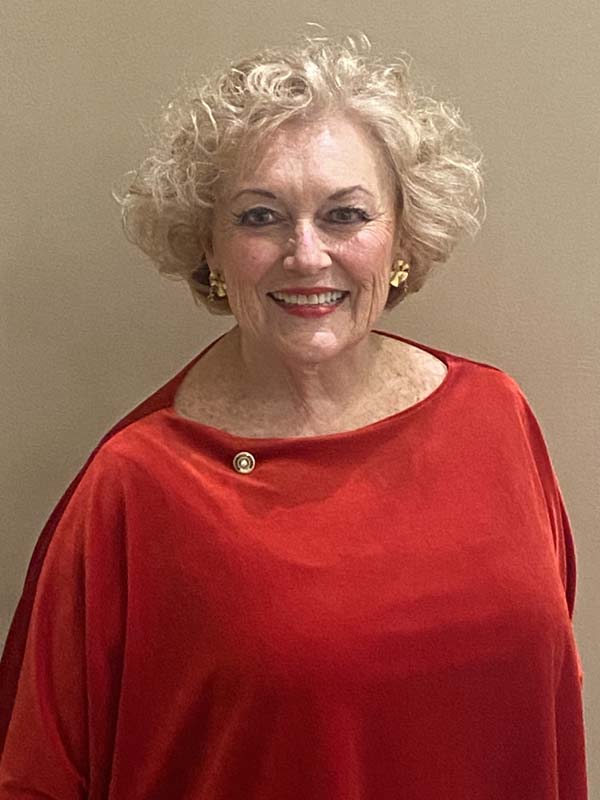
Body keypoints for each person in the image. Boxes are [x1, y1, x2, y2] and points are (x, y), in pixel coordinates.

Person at [0, 31, 587, 799]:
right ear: (209, 249)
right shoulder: (138, 484)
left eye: (345, 215)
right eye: (260, 217)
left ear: (401, 237)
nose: (307, 255)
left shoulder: (496, 416)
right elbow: (35, 775)